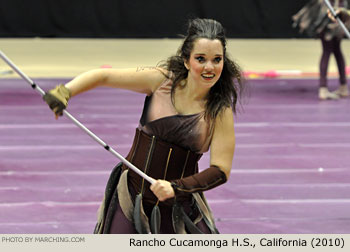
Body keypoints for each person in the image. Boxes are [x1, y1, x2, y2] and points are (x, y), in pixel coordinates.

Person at [43, 18, 244, 234]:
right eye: (201, 59)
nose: (209, 67)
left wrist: (176, 188)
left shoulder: (219, 110)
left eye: (217, 60)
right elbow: (103, 76)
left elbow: (220, 171)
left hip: (178, 203)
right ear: (186, 61)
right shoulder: (161, 81)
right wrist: (65, 92)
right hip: (131, 194)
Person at [293, 0, 350, 100]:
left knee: (328, 50)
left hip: (332, 18)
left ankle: (325, 88)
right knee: (336, 50)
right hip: (334, 16)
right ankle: (342, 86)